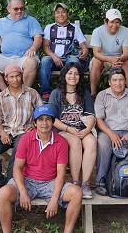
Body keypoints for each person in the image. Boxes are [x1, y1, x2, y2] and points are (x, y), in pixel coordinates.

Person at [0, 105, 83, 233]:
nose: (44, 123)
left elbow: (61, 174)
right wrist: (23, 191)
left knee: (77, 193)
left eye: (48, 119)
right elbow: (17, 168)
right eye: (40, 119)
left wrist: (54, 199)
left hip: (50, 183)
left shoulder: (61, 142)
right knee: (4, 193)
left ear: (53, 122)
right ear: (35, 123)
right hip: (27, 180)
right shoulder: (26, 139)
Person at [0, 64, 43, 197]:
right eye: (11, 77)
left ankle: (11, 183)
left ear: (22, 76)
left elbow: (41, 114)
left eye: (18, 76)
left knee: (21, 144)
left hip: (24, 132)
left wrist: (35, 126)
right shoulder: (1, 97)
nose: (15, 79)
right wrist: (2, 133)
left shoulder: (32, 93)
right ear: (6, 78)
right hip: (6, 131)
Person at [94, 67, 128, 196]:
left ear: (125, 81)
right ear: (109, 82)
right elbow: (99, 119)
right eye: (115, 80)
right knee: (102, 144)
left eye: (121, 80)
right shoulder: (102, 95)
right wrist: (111, 134)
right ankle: (100, 183)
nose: (118, 83)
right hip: (108, 132)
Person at [48, 62, 97, 199]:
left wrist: (87, 130)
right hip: (63, 130)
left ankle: (85, 183)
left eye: (76, 73)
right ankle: (76, 182)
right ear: (64, 75)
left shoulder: (84, 93)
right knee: (75, 142)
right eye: (70, 73)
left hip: (82, 128)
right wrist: (69, 129)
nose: (73, 76)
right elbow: (52, 118)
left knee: (92, 143)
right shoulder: (56, 93)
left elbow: (91, 115)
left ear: (80, 76)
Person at [0, 0, 43, 91]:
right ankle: (7, 94)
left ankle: (24, 93)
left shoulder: (30, 20)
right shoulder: (2, 22)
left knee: (32, 63)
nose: (19, 11)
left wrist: (33, 48)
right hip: (6, 57)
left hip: (25, 57)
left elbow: (38, 37)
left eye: (22, 8)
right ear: (8, 9)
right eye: (16, 9)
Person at [40, 3, 89, 103]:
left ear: (67, 14)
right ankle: (46, 93)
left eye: (63, 12)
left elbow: (83, 46)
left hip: (69, 58)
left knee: (74, 61)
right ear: (54, 14)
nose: (60, 14)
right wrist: (54, 57)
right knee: (44, 60)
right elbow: (45, 47)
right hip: (53, 59)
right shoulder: (49, 27)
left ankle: (74, 92)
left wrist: (84, 52)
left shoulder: (74, 28)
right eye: (58, 12)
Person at [89, 9, 128, 98]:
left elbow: (127, 53)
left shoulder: (125, 31)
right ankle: (93, 94)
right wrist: (110, 60)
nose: (114, 25)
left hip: (119, 59)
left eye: (117, 22)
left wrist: (118, 59)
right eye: (112, 22)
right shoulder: (98, 31)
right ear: (106, 22)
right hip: (103, 58)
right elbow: (96, 53)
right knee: (95, 63)